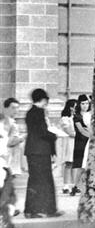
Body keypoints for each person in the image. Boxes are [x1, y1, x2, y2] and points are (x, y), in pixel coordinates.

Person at [21, 89, 59, 218]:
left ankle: (31, 210)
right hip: (40, 150)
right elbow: (42, 132)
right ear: (43, 100)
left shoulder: (30, 112)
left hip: (33, 150)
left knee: (35, 180)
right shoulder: (39, 112)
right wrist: (54, 135)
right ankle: (47, 209)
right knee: (45, 180)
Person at [71, 95, 91, 195]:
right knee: (80, 165)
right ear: (79, 104)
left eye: (87, 103)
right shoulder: (77, 116)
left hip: (89, 139)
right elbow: (81, 130)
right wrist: (92, 136)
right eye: (83, 103)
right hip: (81, 141)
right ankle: (75, 185)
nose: (85, 106)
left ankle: (82, 185)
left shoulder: (90, 114)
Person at [57, 100, 74, 195]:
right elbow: (69, 132)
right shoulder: (65, 119)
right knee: (69, 164)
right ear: (70, 107)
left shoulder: (78, 117)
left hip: (78, 142)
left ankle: (75, 184)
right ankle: (66, 185)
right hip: (69, 142)